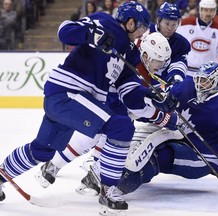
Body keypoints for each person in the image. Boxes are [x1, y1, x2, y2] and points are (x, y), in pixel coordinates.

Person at [0, 1, 179, 215]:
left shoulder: (130, 54)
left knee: (42, 150)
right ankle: (109, 189)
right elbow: (64, 31)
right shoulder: (104, 22)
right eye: (141, 27)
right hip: (67, 93)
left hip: (72, 102)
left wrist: (154, 97)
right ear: (130, 23)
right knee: (120, 127)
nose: (142, 33)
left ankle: (1, 175)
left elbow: (129, 93)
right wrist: (90, 34)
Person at [35, 2, 190, 196]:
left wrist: (161, 96)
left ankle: (92, 174)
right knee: (105, 133)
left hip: (112, 97)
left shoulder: (143, 59)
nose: (159, 69)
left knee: (113, 132)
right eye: (158, 63)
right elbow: (137, 106)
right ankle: (64, 167)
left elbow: (139, 99)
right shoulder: (134, 60)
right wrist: (164, 117)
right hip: (105, 96)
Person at [116, 61, 218, 198]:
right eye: (198, 80)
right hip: (178, 138)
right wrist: (137, 110)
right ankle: (108, 173)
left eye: (205, 82)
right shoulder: (187, 86)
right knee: (138, 143)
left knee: (158, 155)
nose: (199, 85)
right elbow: (163, 106)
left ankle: (120, 185)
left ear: (217, 83)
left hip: (204, 157)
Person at [176, 0, 218, 75]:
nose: (208, 13)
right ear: (200, 10)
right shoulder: (184, 24)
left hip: (210, 75)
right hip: (187, 73)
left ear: (215, 11)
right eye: (205, 10)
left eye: (211, 10)